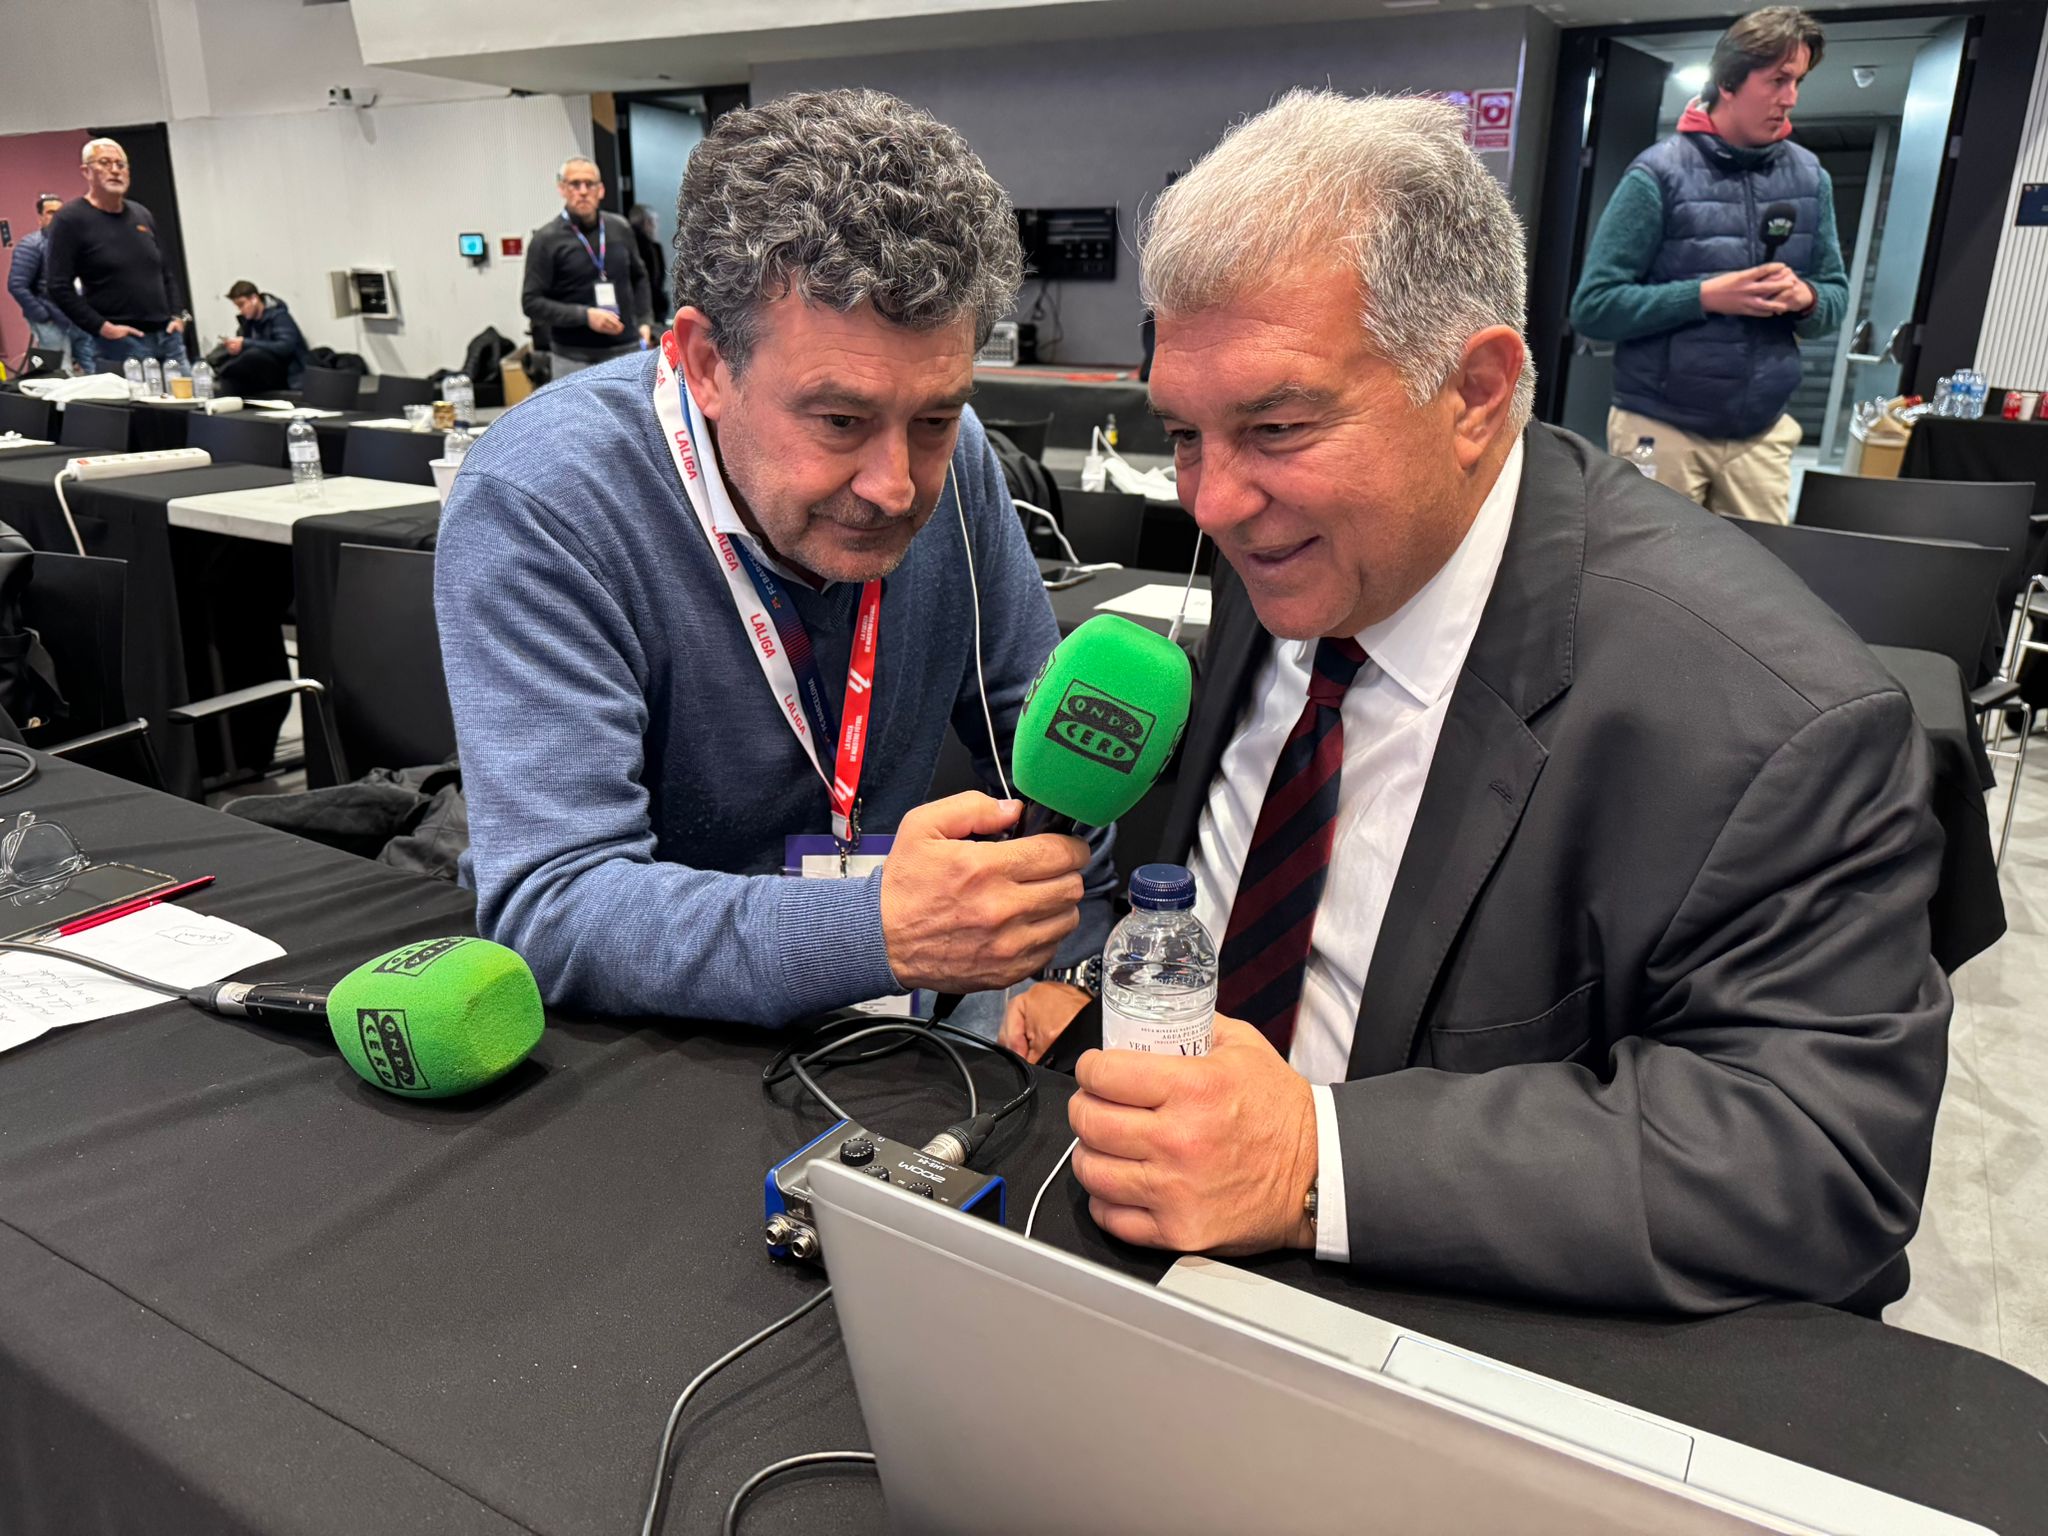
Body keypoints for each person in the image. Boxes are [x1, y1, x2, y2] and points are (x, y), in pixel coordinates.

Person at [1016, 90, 1947, 1316]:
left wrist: (1311, 1161)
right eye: (1183, 432)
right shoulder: (1297, 537)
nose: (1211, 502)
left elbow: (1817, 1154)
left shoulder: (1773, 721)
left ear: (1473, 392)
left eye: (1277, 426)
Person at [438, 89, 1115, 1028]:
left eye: (932, 416)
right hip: (651, 1045)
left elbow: (1049, 755)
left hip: (895, 1008)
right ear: (706, 364)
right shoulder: (547, 500)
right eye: (839, 420)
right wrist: (867, 928)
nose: (896, 485)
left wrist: (1065, 965)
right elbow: (552, 906)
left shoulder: (956, 471)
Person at [1571, 7, 1848, 524]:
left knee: (1755, 588)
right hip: (1661, 427)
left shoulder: (1811, 177)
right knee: (1650, 583)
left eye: (1798, 81)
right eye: (1778, 80)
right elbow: (1593, 307)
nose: (1791, 97)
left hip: (1760, 433)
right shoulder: (1657, 175)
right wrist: (1703, 296)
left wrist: (1806, 298)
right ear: (1727, 80)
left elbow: (1834, 296)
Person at [44, 137, 188, 376]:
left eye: (121, 165)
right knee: (137, 413)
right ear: (86, 171)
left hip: (168, 338)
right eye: (105, 163)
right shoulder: (71, 219)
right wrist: (102, 327)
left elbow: (165, 272)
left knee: (190, 406)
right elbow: (57, 286)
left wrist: (177, 315)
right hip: (119, 343)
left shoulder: (141, 214)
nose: (115, 170)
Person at [521, 157, 655, 379]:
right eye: (574, 184)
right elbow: (531, 302)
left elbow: (640, 278)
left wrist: (644, 321)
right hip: (573, 358)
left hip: (626, 350)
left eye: (589, 184)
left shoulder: (620, 228)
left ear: (600, 190)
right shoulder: (546, 240)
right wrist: (585, 316)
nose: (583, 191)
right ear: (562, 188)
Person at [7, 194, 93, 373]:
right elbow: (17, 285)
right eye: (50, 212)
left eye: (60, 212)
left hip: (78, 317)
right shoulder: (31, 245)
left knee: (93, 366)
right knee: (60, 372)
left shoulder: (73, 244)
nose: (56, 217)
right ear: (40, 217)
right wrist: (42, 316)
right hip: (51, 319)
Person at [216, 280, 310, 393]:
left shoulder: (279, 317)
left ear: (254, 299)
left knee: (253, 356)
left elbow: (285, 347)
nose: (241, 310)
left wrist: (245, 343)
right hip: (264, 375)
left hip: (288, 374)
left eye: (242, 304)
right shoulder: (248, 324)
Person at [628, 203, 666, 310]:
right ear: (646, 223)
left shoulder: (655, 248)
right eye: (654, 222)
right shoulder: (648, 249)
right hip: (646, 309)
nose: (656, 227)